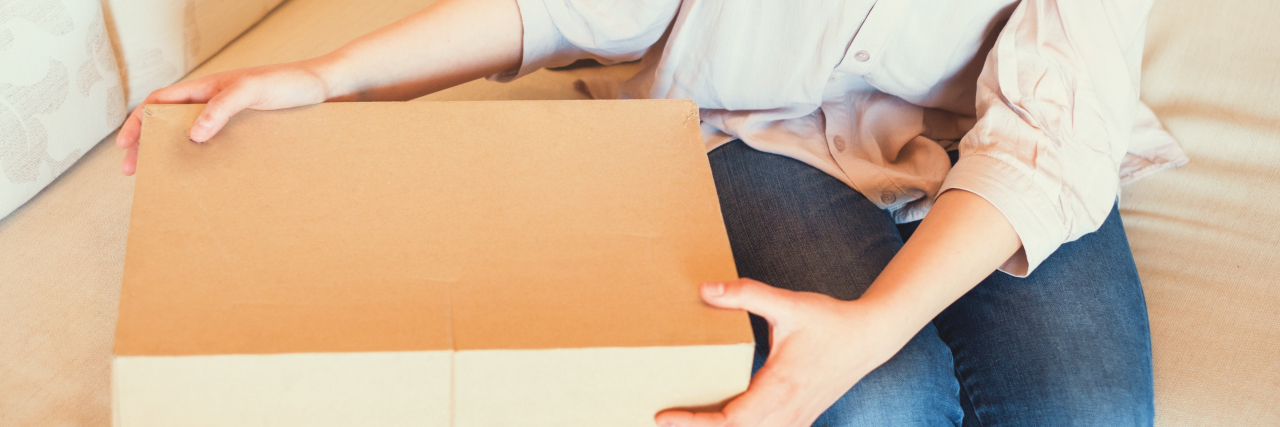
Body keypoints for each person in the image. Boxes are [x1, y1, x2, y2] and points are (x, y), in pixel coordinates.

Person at [115, 0, 1188, 425]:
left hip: (1009, 159)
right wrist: (329, 77)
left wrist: (868, 322)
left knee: (1085, 417)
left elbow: (1053, 135)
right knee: (872, 410)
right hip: (753, 131)